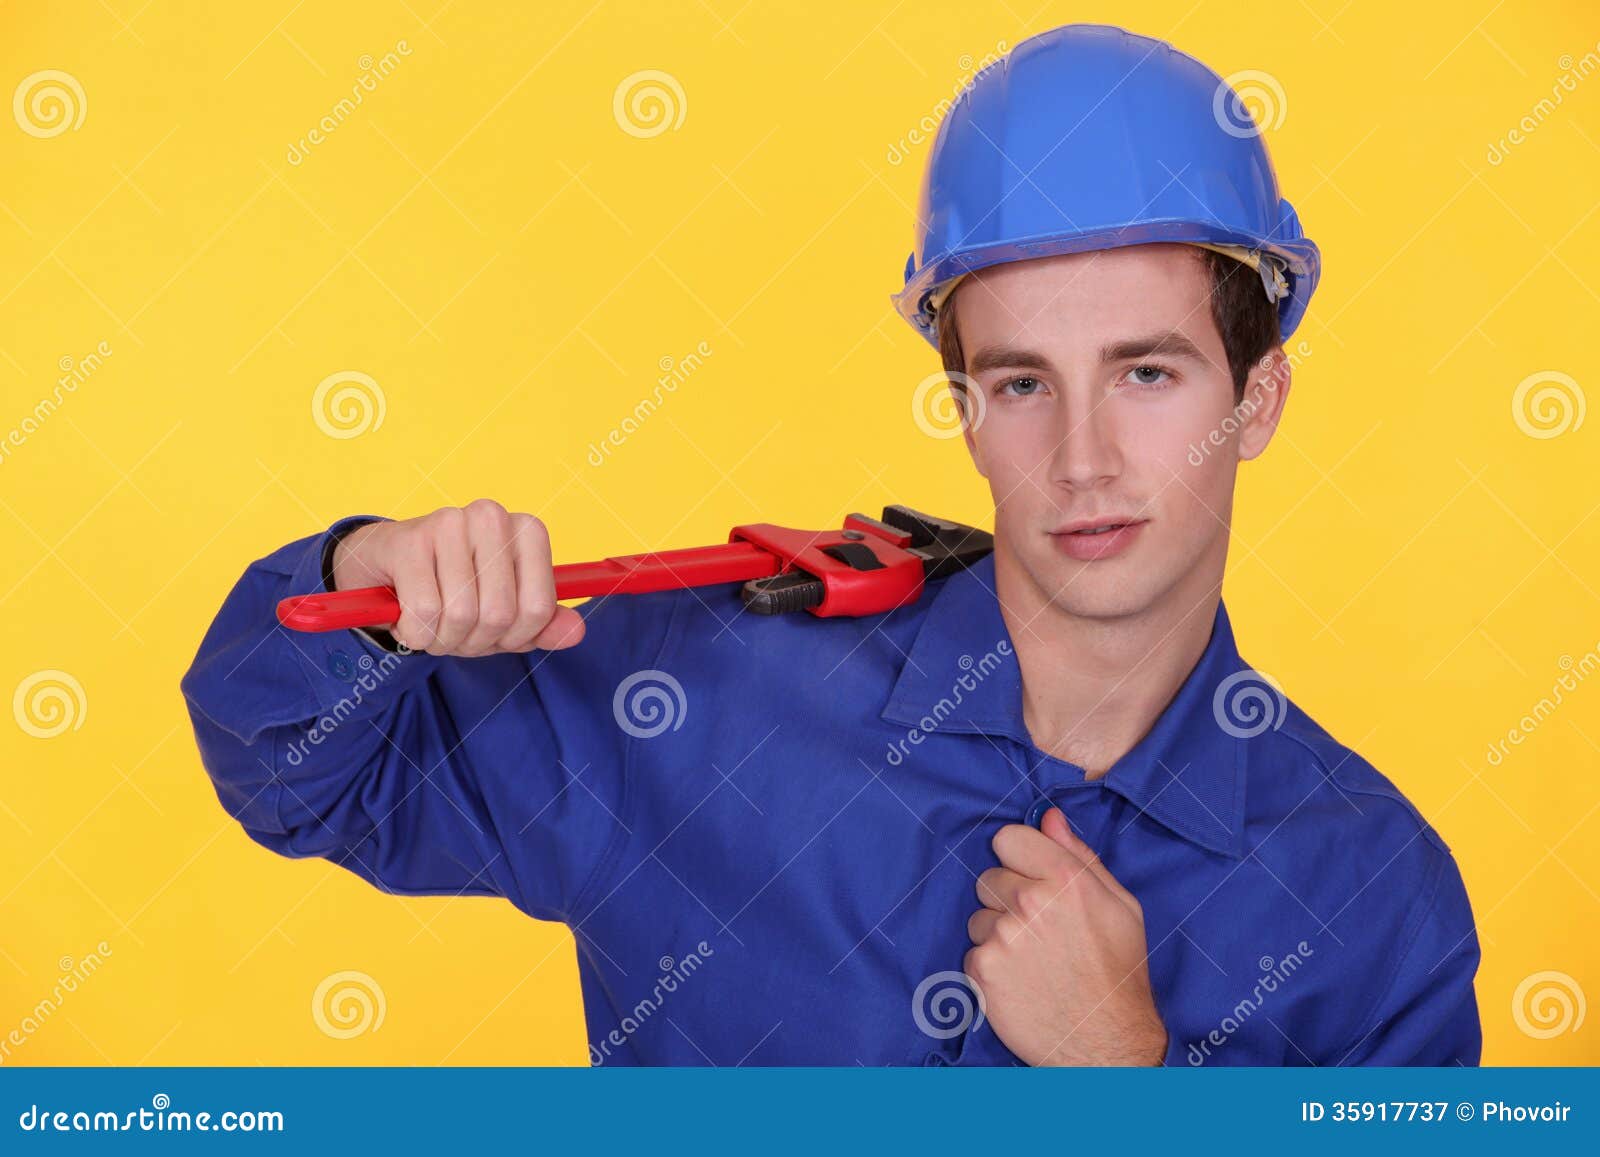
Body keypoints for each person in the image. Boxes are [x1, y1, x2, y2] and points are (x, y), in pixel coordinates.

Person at [181, 23, 1480, 1066]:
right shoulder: (691, 696)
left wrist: (1122, 1073)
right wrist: (370, 583)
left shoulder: (1374, 903)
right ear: (965, 409)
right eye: (1022, 383)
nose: (1082, 459)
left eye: (1146, 373)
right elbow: (295, 778)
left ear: (1255, 399)